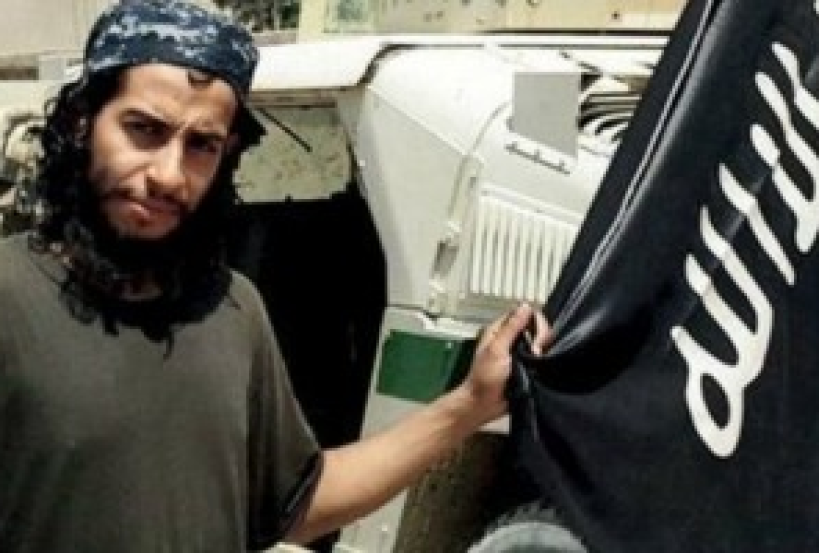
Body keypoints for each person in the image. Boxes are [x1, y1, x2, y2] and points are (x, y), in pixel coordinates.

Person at [0, 1, 551, 551]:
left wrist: (469, 405)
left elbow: (295, 504)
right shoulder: (10, 296)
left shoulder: (231, 310)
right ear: (82, 122)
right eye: (143, 130)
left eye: (201, 146)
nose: (169, 175)